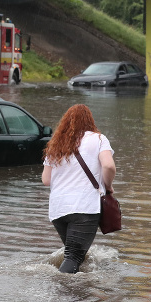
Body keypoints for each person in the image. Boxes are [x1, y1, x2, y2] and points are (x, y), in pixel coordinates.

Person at [42, 104, 116, 274]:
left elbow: (46, 180)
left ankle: (78, 294)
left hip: (58, 210)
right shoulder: (98, 139)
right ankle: (60, 291)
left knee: (75, 255)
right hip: (84, 207)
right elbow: (109, 167)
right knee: (74, 257)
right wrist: (108, 186)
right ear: (90, 121)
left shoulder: (56, 144)